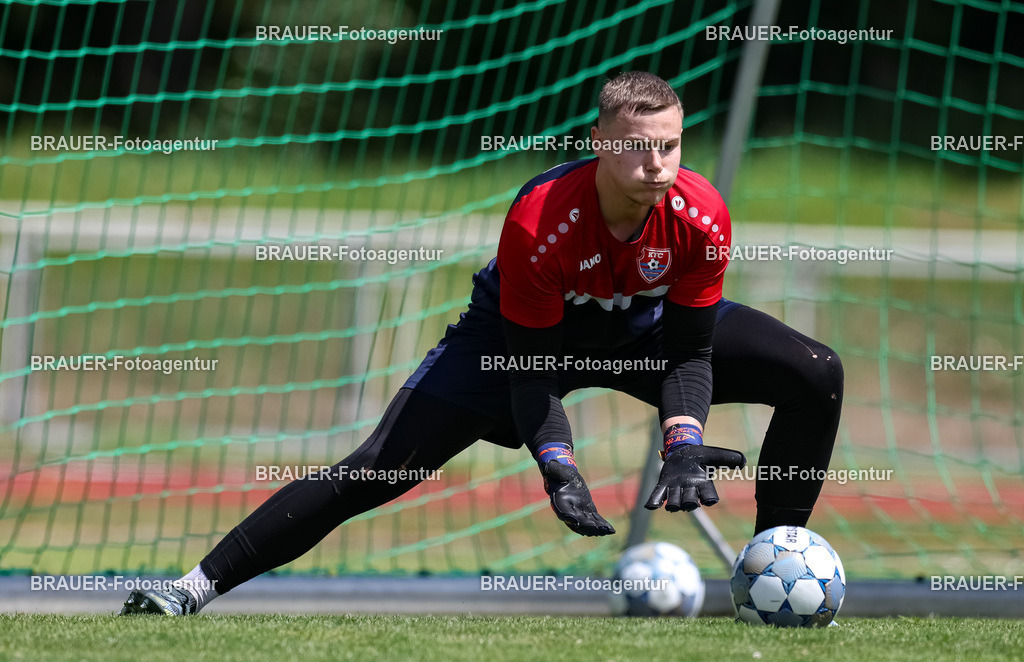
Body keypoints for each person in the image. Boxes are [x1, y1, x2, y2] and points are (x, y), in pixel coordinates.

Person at [120, 71, 843, 616]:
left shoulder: (701, 213)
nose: (657, 163)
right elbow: (533, 372)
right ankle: (190, 589)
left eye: (669, 146)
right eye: (637, 147)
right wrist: (557, 464)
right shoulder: (538, 222)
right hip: (516, 344)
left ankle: (770, 580)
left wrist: (684, 438)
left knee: (815, 371)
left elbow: (690, 351)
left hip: (642, 336)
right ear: (599, 145)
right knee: (375, 468)